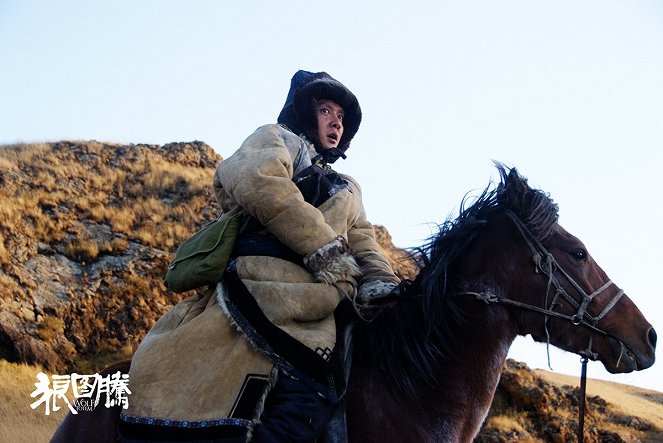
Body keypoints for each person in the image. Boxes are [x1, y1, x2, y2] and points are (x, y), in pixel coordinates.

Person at [119, 70, 399, 443]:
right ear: (303, 111)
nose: (336, 121)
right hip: (261, 281)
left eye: (341, 117)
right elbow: (257, 180)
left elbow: (362, 238)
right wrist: (325, 248)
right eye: (326, 110)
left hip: (322, 301)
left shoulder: (348, 187)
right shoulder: (275, 138)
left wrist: (384, 283)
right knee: (306, 393)